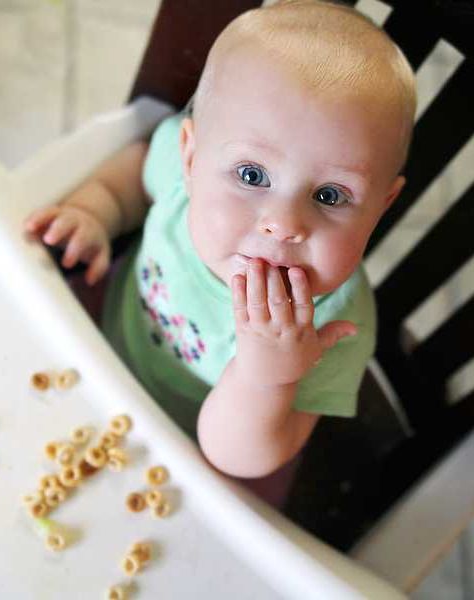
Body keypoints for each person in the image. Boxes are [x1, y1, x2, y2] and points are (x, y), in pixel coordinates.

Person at [23, 0, 416, 501]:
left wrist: (267, 375)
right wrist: (96, 212)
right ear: (191, 155)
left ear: (381, 205)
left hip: (192, 469)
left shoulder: (336, 327)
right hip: (99, 359)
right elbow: (135, 176)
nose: (283, 224)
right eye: (252, 176)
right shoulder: (182, 180)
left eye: (330, 195)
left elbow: (240, 460)